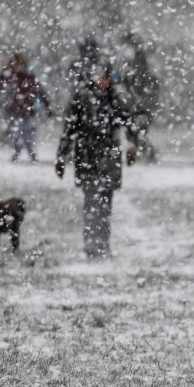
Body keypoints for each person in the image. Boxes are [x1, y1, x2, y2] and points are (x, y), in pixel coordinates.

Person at [56, 62, 137, 258]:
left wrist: (133, 144)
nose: (102, 82)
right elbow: (70, 128)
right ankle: (92, 245)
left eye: (105, 78)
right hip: (87, 155)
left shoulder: (114, 99)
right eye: (98, 77)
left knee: (105, 202)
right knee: (91, 200)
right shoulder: (81, 98)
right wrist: (62, 154)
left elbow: (128, 122)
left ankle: (103, 244)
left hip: (109, 156)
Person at [0, 53, 52, 162]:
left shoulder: (27, 77)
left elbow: (39, 91)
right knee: (18, 133)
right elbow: (0, 87)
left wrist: (47, 106)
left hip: (26, 110)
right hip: (16, 110)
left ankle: (27, 153)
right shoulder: (12, 77)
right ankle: (22, 152)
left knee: (26, 132)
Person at [119, 32, 160, 162]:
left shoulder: (137, 66)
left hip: (140, 101)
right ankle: (143, 151)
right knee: (138, 130)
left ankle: (142, 151)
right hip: (141, 101)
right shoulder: (140, 64)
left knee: (137, 130)